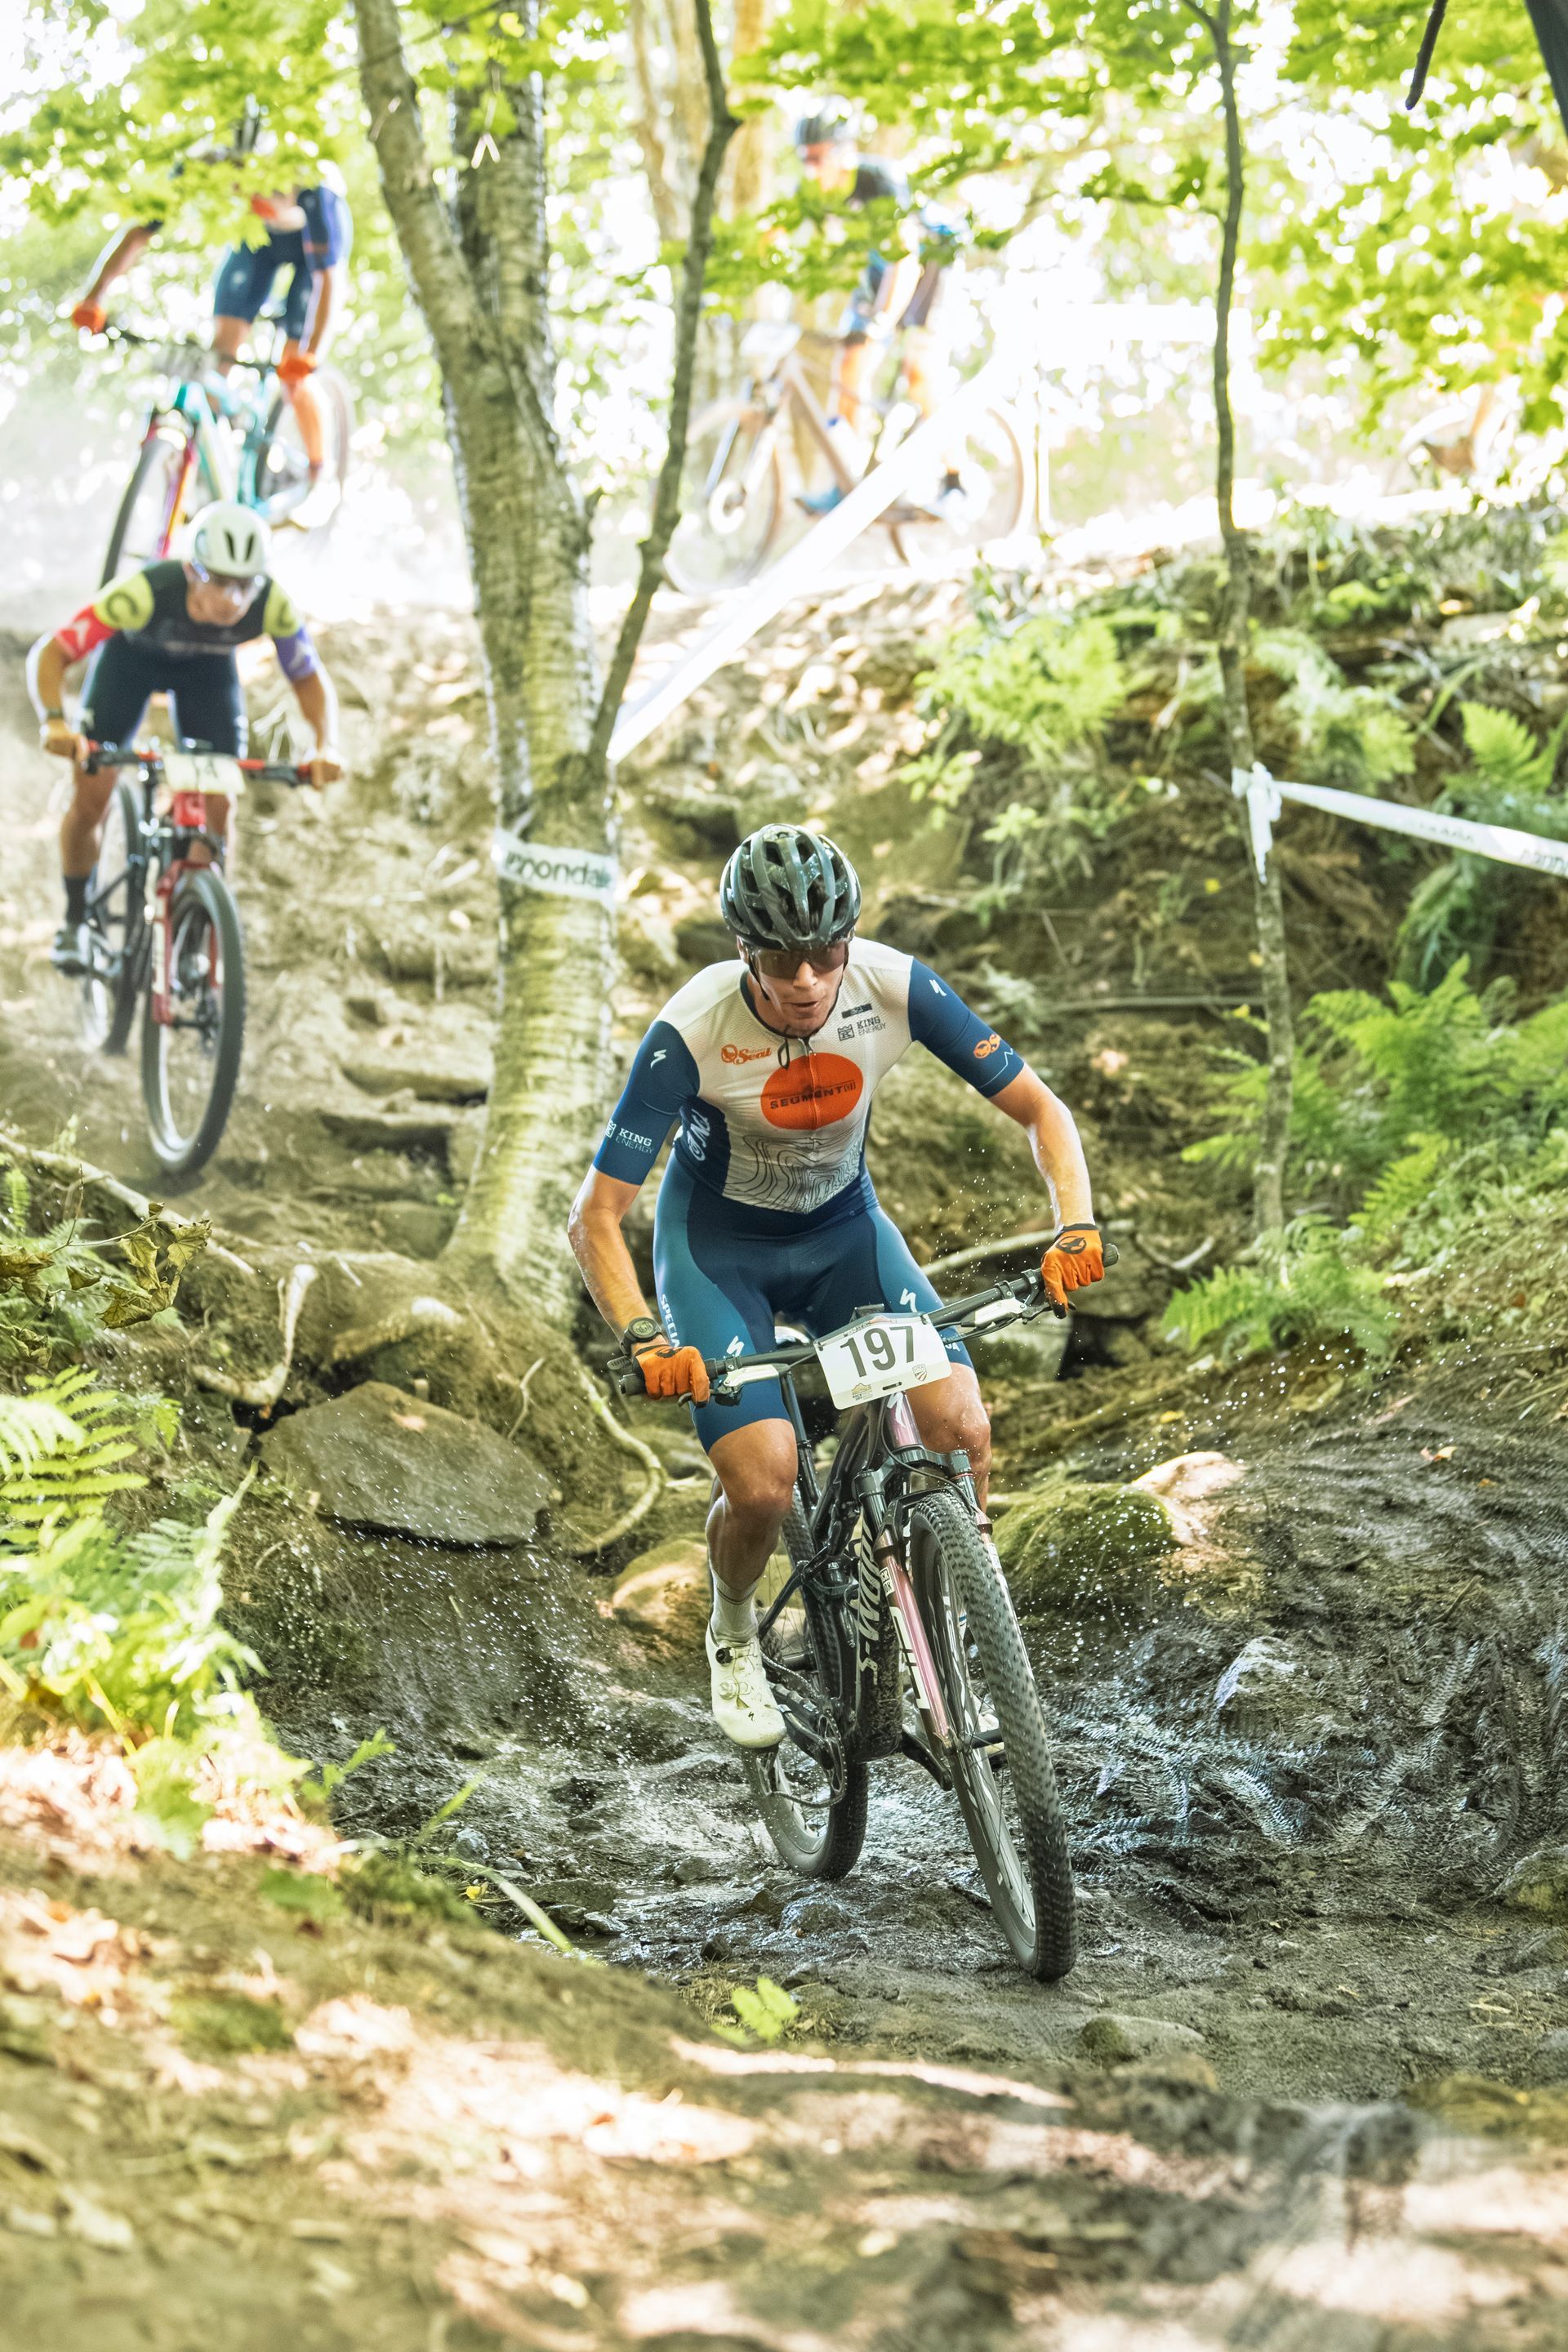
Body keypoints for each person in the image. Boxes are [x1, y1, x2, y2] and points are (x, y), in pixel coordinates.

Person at [568, 824, 1104, 1747]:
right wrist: (644, 1337)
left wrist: (1077, 1223)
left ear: (848, 940)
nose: (807, 977)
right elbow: (596, 1216)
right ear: (745, 950)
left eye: (825, 951)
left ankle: (966, 1629)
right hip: (716, 1254)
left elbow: (1040, 1109)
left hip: (846, 1236)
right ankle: (733, 1635)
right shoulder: (691, 1030)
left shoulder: (893, 986)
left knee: (961, 1429)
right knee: (767, 1484)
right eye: (782, 957)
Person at [27, 501, 342, 973]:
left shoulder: (273, 604)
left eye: (245, 584)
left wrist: (326, 745)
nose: (234, 599)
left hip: (208, 674)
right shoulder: (143, 592)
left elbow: (309, 679)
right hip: (129, 664)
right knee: (91, 797)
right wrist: (54, 720)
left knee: (219, 804)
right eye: (219, 580)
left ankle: (195, 934)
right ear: (193, 571)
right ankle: (75, 920)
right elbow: (51, 653)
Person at [70, 109, 351, 516]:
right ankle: (207, 464)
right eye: (235, 177)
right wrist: (93, 299)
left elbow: (329, 281)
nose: (244, 186)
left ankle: (318, 476)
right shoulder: (201, 167)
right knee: (218, 359)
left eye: (256, 180)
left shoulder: (315, 189)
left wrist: (310, 354)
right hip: (257, 240)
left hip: (312, 257)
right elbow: (139, 233)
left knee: (294, 373)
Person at [792, 99, 962, 515]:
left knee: (919, 374)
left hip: (927, 263)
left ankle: (957, 479)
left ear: (844, 150)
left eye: (819, 157)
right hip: (878, 269)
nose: (812, 169)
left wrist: (883, 322)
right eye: (804, 160)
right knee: (848, 365)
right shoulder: (815, 195)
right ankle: (844, 480)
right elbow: (771, 233)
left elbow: (905, 260)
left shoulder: (880, 180)